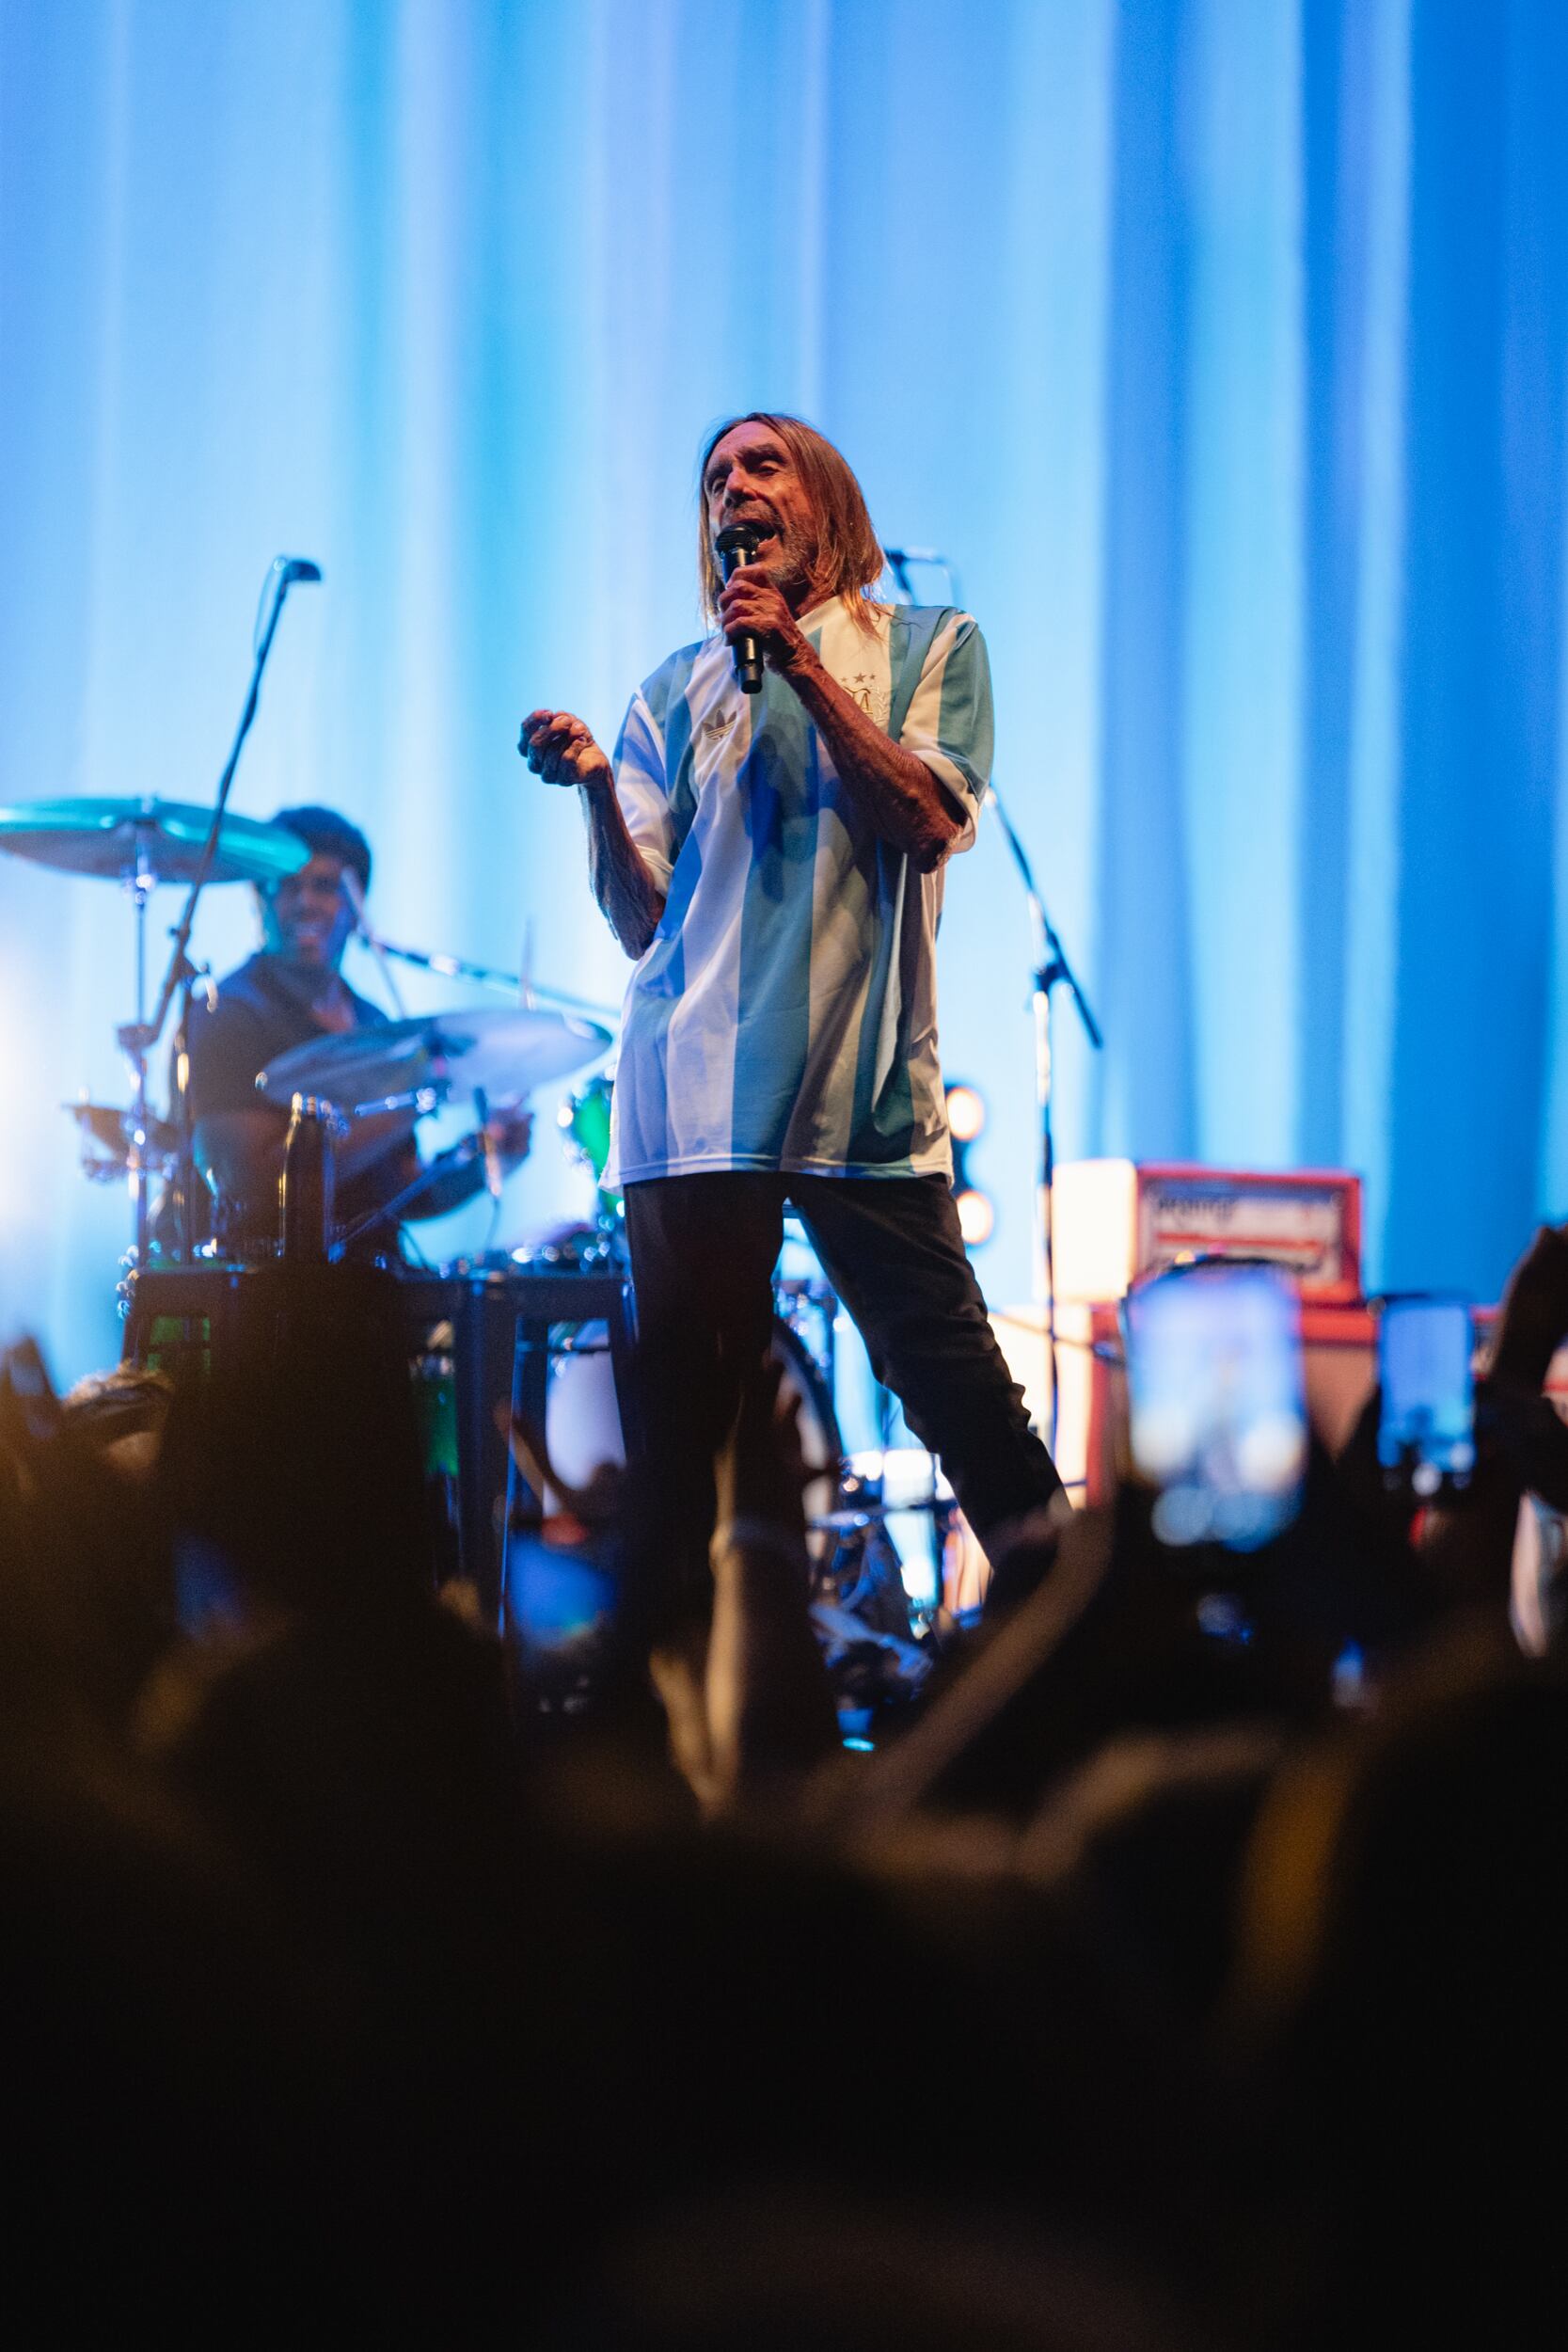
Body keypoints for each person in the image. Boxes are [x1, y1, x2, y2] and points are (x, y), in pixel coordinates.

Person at [520, 412, 1064, 1631]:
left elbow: (923, 819)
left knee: (962, 1402)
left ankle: (1085, 1659)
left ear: (825, 499)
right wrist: (602, 788)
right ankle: (657, 1723)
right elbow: (640, 918)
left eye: (760, 466)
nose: (733, 489)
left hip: (854, 1099)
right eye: (715, 476)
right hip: (689, 1104)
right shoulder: (674, 686)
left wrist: (802, 666)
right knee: (681, 1446)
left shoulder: (928, 645)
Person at [180, 805, 530, 1258]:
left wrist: (483, 1164)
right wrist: (414, 1103)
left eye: (325, 886)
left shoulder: (373, 1022)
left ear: (357, 907)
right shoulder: (227, 1013)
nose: (305, 901)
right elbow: (249, 1184)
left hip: (375, 1293)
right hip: (270, 1298)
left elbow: (401, 1195)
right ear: (259, 898)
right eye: (287, 884)